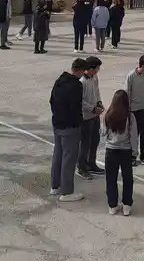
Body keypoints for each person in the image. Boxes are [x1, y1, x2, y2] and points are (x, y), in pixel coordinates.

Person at [49, 58, 87, 202]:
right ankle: (66, 191)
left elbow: (51, 100)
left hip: (57, 123)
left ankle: (55, 185)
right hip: (70, 126)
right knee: (69, 158)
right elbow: (75, 107)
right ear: (81, 71)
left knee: (58, 154)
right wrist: (78, 123)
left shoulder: (60, 80)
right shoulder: (76, 85)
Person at [103, 89, 138, 216]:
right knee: (127, 179)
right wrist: (135, 152)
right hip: (126, 151)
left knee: (111, 179)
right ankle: (127, 205)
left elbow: (103, 133)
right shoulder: (130, 116)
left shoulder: (108, 115)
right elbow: (133, 136)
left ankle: (112, 205)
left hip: (111, 150)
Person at [124, 54, 144, 166]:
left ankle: (143, 155)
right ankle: (132, 155)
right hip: (134, 110)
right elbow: (127, 93)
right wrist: (127, 109)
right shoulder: (131, 76)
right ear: (142, 66)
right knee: (133, 134)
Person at [77, 57, 105, 179]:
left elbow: (97, 91)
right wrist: (92, 109)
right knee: (85, 143)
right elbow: (80, 101)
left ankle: (91, 163)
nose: (98, 71)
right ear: (91, 68)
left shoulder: (94, 77)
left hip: (95, 115)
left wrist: (99, 103)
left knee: (95, 141)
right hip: (85, 117)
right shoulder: (81, 81)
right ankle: (82, 167)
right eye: (97, 68)